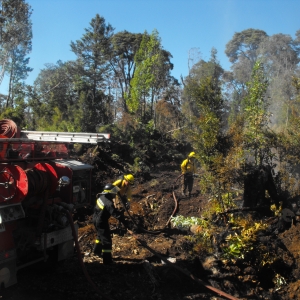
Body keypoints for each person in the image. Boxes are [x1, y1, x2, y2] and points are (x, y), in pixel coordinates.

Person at [93, 183, 131, 264]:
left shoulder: (101, 197)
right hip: (101, 221)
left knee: (100, 235)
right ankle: (107, 261)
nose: (115, 194)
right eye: (113, 193)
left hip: (96, 219)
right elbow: (115, 214)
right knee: (107, 241)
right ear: (109, 193)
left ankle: (96, 251)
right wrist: (125, 222)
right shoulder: (108, 203)